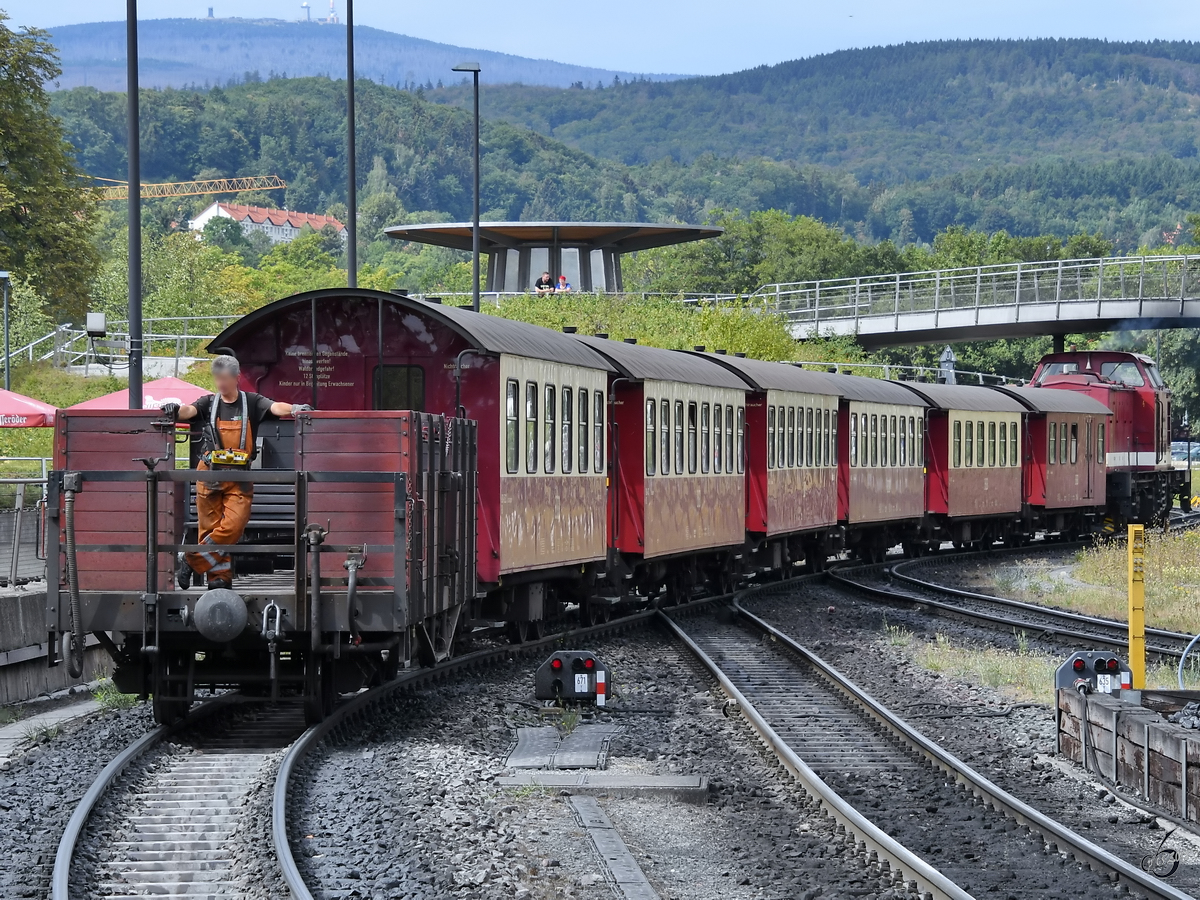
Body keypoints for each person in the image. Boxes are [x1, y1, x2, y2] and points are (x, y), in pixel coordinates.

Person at [161, 355, 311, 591]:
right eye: (217, 378)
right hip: (209, 475)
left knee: (233, 527)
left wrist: (294, 409)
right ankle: (218, 581)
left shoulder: (251, 402)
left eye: (225, 379)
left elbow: (274, 406)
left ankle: (192, 559)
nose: (220, 384)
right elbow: (188, 411)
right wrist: (174, 410)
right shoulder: (208, 403)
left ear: (236, 377)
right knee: (209, 528)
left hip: (239, 478)